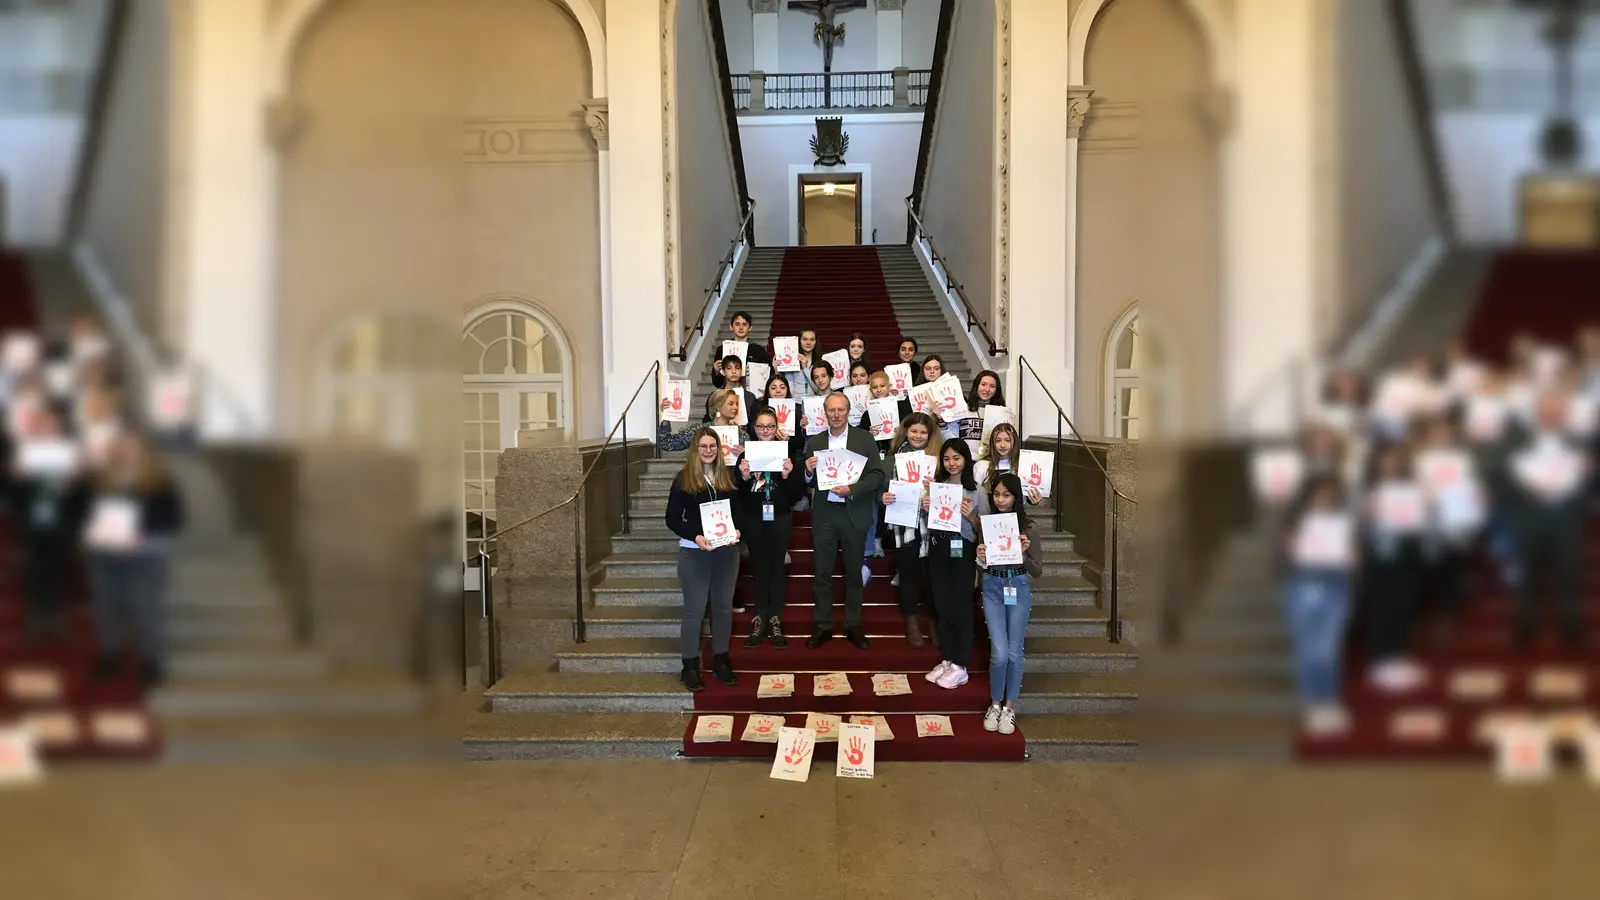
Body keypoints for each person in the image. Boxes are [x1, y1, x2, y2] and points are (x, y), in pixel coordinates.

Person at [85, 432, 184, 687]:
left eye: (133, 447)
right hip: (105, 552)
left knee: (145, 608)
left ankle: (151, 661)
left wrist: (143, 533)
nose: (126, 452)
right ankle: (110, 655)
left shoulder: (161, 481)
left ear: (144, 450)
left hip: (146, 554)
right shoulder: (100, 479)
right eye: (121, 447)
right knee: (106, 605)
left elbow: (174, 518)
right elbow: (86, 512)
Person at [1498, 391, 1588, 648]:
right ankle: (1526, 624)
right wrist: (1525, 487)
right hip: (1528, 516)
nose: (1550, 415)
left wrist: (1588, 472)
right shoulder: (1516, 440)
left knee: (1570, 572)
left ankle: (1571, 624)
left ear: (1564, 413)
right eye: (1545, 410)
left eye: (1556, 410)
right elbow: (1504, 474)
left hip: (1566, 517)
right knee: (1526, 572)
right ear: (1536, 413)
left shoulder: (1579, 441)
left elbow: (1589, 479)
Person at [803, 392, 887, 650]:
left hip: (855, 513)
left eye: (841, 410)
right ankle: (822, 626)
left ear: (848, 411)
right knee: (822, 575)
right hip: (826, 514)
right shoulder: (814, 441)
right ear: (825, 413)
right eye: (831, 410)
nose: (836, 414)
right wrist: (807, 471)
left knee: (854, 575)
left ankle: (853, 626)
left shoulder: (864, 439)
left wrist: (853, 489)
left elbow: (877, 475)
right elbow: (810, 481)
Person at [664, 427, 744, 691]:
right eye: (703, 446)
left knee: (722, 608)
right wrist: (696, 536)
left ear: (718, 449)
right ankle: (689, 665)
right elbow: (672, 518)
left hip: (725, 551)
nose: (708, 451)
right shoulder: (683, 479)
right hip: (694, 552)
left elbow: (739, 512)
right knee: (694, 611)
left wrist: (738, 531)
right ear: (695, 450)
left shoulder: (727, 476)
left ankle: (720, 659)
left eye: (712, 446)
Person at [1281, 474, 1356, 735]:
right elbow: (1282, 559)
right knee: (1308, 647)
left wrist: (1352, 556)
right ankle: (1312, 702)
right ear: (1309, 496)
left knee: (1328, 646)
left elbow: (1355, 560)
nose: (1325, 498)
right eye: (1320, 493)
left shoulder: (1345, 522)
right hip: (1303, 584)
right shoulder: (1294, 521)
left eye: (1330, 493)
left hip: (1336, 584)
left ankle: (1330, 701)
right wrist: (1291, 548)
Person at [8, 407, 89, 644]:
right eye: (43, 425)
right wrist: (17, 477)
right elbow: (13, 497)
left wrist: (75, 480)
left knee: (58, 571)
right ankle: (35, 620)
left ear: (59, 428)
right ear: (36, 428)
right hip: (31, 524)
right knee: (33, 571)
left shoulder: (71, 453)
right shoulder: (24, 453)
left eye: (52, 425)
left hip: (61, 523)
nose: (48, 430)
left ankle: (56, 620)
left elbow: (82, 499)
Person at [976, 473, 1043, 734]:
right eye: (996, 494)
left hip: (1017, 586)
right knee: (999, 652)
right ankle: (994, 704)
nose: (1001, 499)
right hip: (992, 587)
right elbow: (982, 567)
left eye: (1006, 494)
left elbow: (1037, 570)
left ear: (1016, 497)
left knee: (1014, 651)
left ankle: (1009, 707)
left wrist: (1023, 554)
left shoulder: (1029, 527)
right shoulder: (988, 523)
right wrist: (980, 557)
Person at [736, 409, 806, 648]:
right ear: (754, 429)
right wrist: (744, 478)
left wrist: (788, 476)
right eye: (761, 427)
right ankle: (760, 618)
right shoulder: (745, 455)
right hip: (755, 518)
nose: (765, 431)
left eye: (769, 426)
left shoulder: (787, 455)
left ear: (776, 428)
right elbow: (737, 494)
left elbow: (798, 495)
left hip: (779, 517)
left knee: (776, 568)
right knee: (758, 568)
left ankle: (775, 619)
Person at [1361, 442, 1427, 692]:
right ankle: (1380, 660)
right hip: (1378, 553)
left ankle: (1399, 657)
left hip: (1407, 551)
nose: (1391, 464)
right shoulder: (1366, 488)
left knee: (1404, 603)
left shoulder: (1410, 486)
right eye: (1386, 460)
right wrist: (1366, 513)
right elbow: (1349, 523)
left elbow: (1420, 519)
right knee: (1381, 606)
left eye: (1395, 460)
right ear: (1376, 463)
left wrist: (1425, 506)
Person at [924, 439, 985, 688]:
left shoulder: (977, 491)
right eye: (947, 458)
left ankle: (961, 664)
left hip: (962, 549)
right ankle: (948, 659)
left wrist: (971, 516)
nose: (952, 463)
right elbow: (934, 521)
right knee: (942, 606)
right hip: (938, 548)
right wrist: (927, 505)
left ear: (965, 460)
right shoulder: (938, 487)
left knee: (961, 607)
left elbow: (987, 528)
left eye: (957, 458)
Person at [882, 412, 941, 643]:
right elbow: (879, 489)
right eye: (914, 431)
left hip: (931, 525)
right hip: (903, 524)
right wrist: (883, 497)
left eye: (923, 432)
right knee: (908, 573)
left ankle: (933, 622)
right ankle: (912, 622)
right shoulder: (892, 459)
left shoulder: (938, 459)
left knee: (932, 575)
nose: (918, 435)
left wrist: (936, 487)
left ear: (930, 435)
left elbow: (949, 490)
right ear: (906, 431)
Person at [658, 388, 747, 453]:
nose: (735, 407)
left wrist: (745, 454)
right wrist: (667, 416)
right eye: (731, 404)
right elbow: (667, 444)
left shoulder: (740, 433)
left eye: (737, 404)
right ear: (718, 406)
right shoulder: (698, 430)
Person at [976, 423, 1042, 504]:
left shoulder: (1023, 465)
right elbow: (974, 495)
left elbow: (1027, 498)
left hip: (1016, 514)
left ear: (1014, 442)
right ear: (992, 443)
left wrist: (1034, 500)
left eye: (1008, 440)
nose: (1002, 445)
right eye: (998, 440)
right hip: (988, 514)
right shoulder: (982, 466)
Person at [712, 311, 770, 390]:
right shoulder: (722, 349)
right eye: (737, 324)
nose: (741, 328)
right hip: (729, 393)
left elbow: (767, 375)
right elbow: (717, 383)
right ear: (731, 327)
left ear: (750, 327)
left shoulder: (758, 350)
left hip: (752, 395)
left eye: (745, 324)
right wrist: (716, 371)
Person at [785, 327, 821, 398]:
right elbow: (789, 387)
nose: (808, 343)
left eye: (812, 339)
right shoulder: (792, 361)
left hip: (814, 403)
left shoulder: (820, 361)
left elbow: (818, 389)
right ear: (799, 340)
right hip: (796, 403)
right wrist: (776, 369)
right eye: (804, 339)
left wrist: (805, 368)